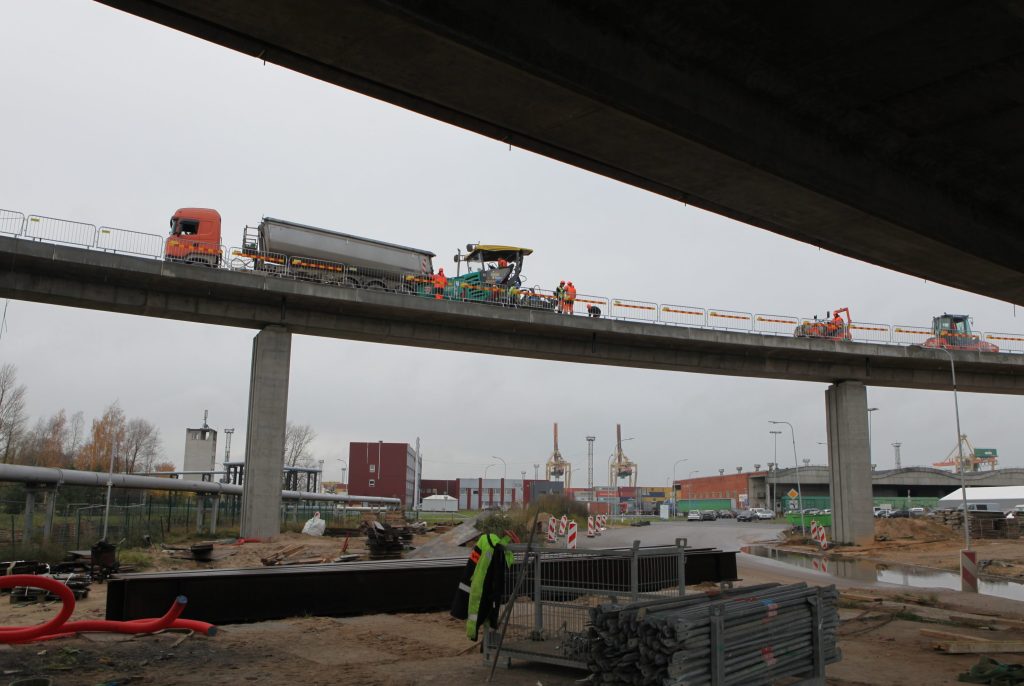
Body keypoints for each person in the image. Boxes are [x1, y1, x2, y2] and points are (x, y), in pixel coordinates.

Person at [450, 530, 517, 640]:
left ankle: (476, 636)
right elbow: (507, 564)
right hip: (492, 587)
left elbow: (472, 564)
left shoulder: (485, 541)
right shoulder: (502, 549)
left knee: (477, 612)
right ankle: (486, 641)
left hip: (479, 586)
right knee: (489, 614)